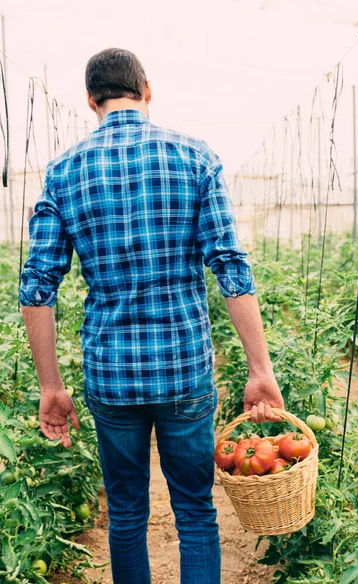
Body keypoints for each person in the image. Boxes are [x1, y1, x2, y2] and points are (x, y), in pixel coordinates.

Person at [19, 48, 284, 584]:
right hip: (184, 367)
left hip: (111, 374)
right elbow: (230, 265)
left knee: (126, 514)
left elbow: (37, 287)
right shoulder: (194, 157)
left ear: (90, 100)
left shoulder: (64, 171)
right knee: (194, 512)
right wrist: (260, 369)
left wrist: (52, 385)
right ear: (146, 89)